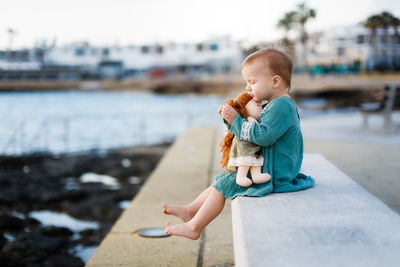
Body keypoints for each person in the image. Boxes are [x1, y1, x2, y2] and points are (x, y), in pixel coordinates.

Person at [161, 46, 315, 240]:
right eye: (246, 82)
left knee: (224, 186)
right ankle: (191, 210)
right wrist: (232, 117)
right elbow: (251, 120)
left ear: (275, 81)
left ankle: (194, 227)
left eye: (252, 82)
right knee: (223, 179)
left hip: (276, 174)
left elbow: (263, 135)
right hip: (270, 166)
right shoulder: (273, 104)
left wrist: (236, 121)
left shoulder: (282, 106)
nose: (247, 88)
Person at [220, 91, 271, 187]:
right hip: (244, 150)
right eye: (257, 105)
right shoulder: (250, 120)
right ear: (245, 107)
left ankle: (256, 175)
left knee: (254, 162)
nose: (260, 108)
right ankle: (241, 177)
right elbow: (257, 131)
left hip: (254, 150)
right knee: (245, 162)